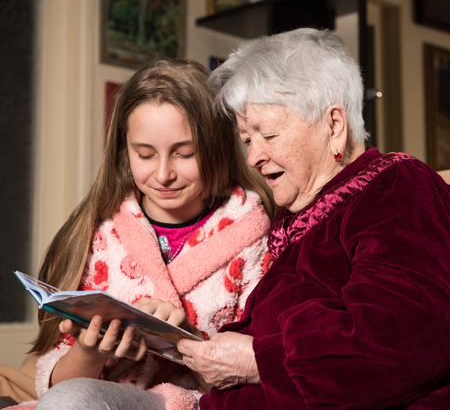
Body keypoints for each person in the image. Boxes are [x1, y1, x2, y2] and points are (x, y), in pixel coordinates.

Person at [177, 28, 450, 409]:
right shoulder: (300, 219)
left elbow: (403, 339)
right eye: (246, 140)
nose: (253, 156)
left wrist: (258, 361)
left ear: (334, 126)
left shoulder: (396, 186)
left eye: (267, 134)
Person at [17, 58, 274, 410]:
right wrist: (90, 352)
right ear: (125, 150)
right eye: (145, 154)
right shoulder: (100, 235)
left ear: (216, 146)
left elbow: (265, 378)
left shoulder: (254, 238)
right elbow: (56, 390)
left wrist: (190, 339)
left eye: (184, 154)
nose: (163, 174)